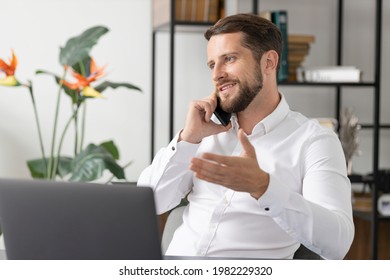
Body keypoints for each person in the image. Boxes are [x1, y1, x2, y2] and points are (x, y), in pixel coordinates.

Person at [138, 13, 354, 259]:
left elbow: (338, 243)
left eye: (229, 59)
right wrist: (188, 139)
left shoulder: (314, 141)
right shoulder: (204, 131)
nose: (216, 75)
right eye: (212, 64)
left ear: (269, 63)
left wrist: (263, 186)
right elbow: (149, 204)